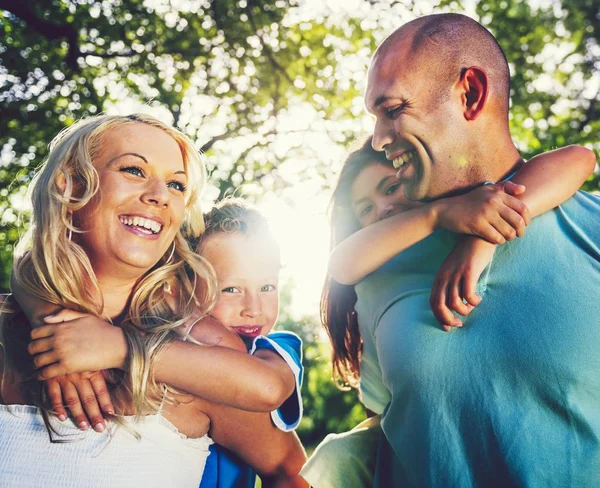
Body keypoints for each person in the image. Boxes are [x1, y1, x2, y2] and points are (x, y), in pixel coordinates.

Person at [357, 12, 600, 486]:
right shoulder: (376, 270)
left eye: (392, 109)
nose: (379, 139)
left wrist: (484, 232)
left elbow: (581, 155)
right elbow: (378, 427)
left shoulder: (591, 226)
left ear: (469, 94)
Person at [0, 113, 305, 487]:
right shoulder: (14, 322)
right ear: (70, 186)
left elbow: (289, 470)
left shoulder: (206, 351)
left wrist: (122, 348)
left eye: (177, 185)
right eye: (133, 170)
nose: (160, 195)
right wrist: (53, 321)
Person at [300, 137, 596, 487]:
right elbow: (341, 265)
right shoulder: (377, 280)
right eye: (365, 209)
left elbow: (579, 157)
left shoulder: (480, 205)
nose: (383, 209)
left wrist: (482, 240)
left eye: (391, 187)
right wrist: (434, 215)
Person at [29, 197, 307, 488]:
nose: (254, 307)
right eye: (231, 289)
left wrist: (119, 347)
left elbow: (267, 386)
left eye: (267, 287)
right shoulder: (160, 336)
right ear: (183, 287)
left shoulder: (272, 349)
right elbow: (28, 272)